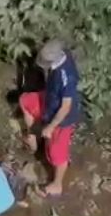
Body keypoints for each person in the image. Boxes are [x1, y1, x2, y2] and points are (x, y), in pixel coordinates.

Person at [18, 40, 81, 197]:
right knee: (26, 101)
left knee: (56, 153)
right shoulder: (62, 51)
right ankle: (33, 138)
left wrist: (51, 126)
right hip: (50, 101)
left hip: (62, 118)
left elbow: (65, 107)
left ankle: (57, 184)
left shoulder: (67, 78)